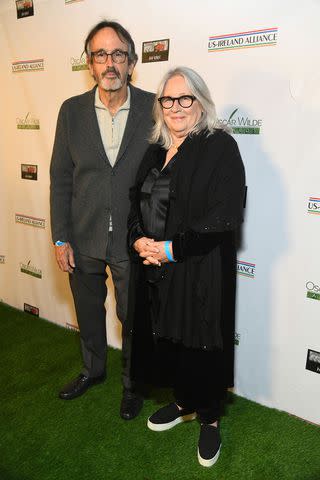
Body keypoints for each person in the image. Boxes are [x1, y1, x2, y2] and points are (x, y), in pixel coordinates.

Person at [127, 67, 245, 466]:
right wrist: (138, 239)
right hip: (157, 270)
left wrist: (171, 249)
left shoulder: (220, 147)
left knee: (201, 343)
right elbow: (135, 200)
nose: (176, 107)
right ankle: (182, 403)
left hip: (200, 270)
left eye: (185, 98)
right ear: (159, 106)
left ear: (201, 102)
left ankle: (209, 419)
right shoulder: (155, 149)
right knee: (170, 341)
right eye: (167, 99)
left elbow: (224, 215)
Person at [50, 20, 154, 420]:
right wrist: (61, 238)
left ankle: (133, 384)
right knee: (89, 310)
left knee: (133, 316)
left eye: (118, 54)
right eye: (100, 54)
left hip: (135, 237)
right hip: (83, 233)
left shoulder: (153, 106)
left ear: (131, 61)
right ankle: (92, 370)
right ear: (89, 63)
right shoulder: (71, 112)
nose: (109, 63)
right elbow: (60, 177)